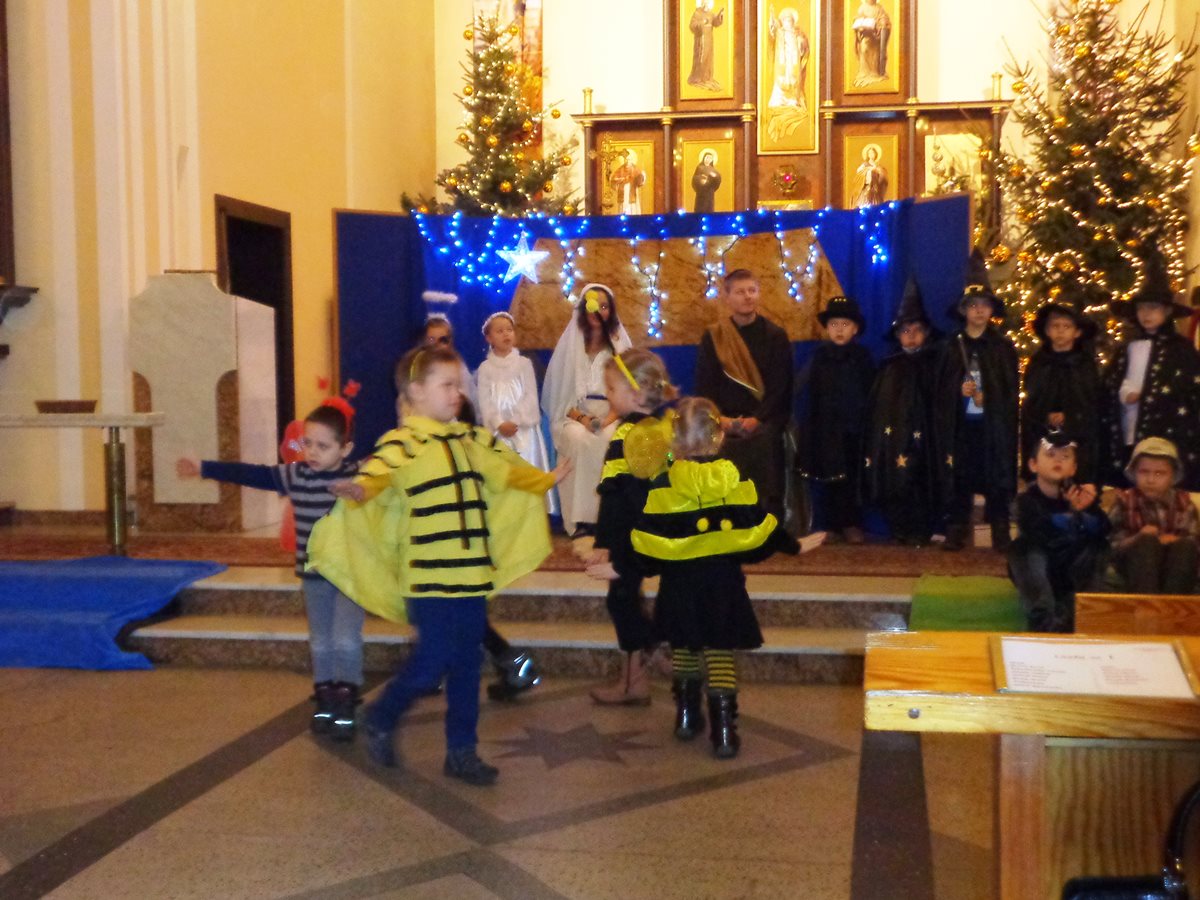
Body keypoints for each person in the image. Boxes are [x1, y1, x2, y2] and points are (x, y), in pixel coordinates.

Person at [308, 345, 568, 786]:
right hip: (428, 580)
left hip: (471, 577)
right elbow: (379, 475)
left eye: (458, 386)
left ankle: (462, 752)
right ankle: (381, 715)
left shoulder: (472, 441)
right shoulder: (403, 444)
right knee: (431, 663)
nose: (457, 394)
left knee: (467, 666)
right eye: (447, 385)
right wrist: (361, 489)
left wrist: (545, 479)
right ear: (416, 391)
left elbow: (505, 471)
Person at [177, 398, 363, 741]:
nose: (313, 452)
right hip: (314, 575)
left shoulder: (359, 476)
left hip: (352, 577)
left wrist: (364, 491)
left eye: (323, 446)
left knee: (346, 640)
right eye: (308, 443)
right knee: (321, 640)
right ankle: (325, 698)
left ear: (345, 448)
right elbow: (255, 474)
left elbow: (390, 487)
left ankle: (347, 699)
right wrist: (204, 467)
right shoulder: (296, 475)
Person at [630, 397, 806, 759]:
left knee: (684, 646)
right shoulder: (730, 477)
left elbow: (649, 539)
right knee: (719, 650)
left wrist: (631, 565)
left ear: (675, 439)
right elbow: (756, 527)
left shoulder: (665, 482)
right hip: (722, 585)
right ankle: (724, 731)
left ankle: (686, 716)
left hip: (679, 585)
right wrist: (793, 545)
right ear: (718, 437)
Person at [586, 349, 677, 706]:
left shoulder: (628, 434)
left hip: (631, 534)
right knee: (629, 599)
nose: (608, 395)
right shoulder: (659, 428)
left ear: (636, 393)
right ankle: (650, 654)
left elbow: (617, 494)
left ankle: (635, 678)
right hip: (653, 529)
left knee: (621, 601)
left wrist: (604, 542)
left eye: (612, 389)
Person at [934, 249, 1019, 551]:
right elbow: (940, 387)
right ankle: (957, 528)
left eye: (984, 305)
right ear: (963, 310)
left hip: (991, 425)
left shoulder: (1001, 348)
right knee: (961, 474)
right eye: (973, 305)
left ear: (991, 309)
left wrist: (990, 398)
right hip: (962, 426)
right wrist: (958, 392)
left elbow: (1009, 389)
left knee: (995, 474)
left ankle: (1000, 529)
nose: (979, 311)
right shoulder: (950, 346)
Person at [694, 269, 794, 524]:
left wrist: (757, 419)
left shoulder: (775, 336)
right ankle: (724, 521)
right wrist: (721, 419)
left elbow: (781, 388)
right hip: (724, 419)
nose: (747, 297)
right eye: (740, 292)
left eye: (752, 290)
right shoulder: (714, 336)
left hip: (765, 418)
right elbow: (705, 386)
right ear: (727, 297)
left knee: (765, 443)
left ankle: (768, 522)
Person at [542, 282, 633, 545]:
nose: (598, 311)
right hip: (573, 415)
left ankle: (606, 517)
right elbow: (562, 398)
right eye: (594, 305)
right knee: (578, 439)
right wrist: (584, 419)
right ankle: (580, 520)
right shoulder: (572, 347)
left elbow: (626, 393)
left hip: (611, 414)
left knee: (607, 439)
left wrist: (606, 419)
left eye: (605, 306)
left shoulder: (618, 346)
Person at [1104, 254, 1200, 490]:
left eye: (1153, 308)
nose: (1146, 314)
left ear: (1167, 311)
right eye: (1141, 308)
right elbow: (1111, 383)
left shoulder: (1181, 350)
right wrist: (1123, 394)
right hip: (1128, 428)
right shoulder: (1127, 348)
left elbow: (1188, 390)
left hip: (1165, 433)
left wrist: (1155, 397)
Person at [865, 277, 941, 546]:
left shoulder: (935, 364)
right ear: (898, 335)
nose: (911, 336)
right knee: (895, 477)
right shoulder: (889, 366)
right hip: (893, 436)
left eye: (916, 330)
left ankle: (921, 528)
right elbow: (880, 406)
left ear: (926, 333)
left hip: (925, 436)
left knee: (921, 477)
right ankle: (898, 526)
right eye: (905, 330)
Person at [1007, 431, 1108, 633]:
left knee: (1097, 545)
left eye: (1065, 456)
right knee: (1021, 548)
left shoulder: (1080, 497)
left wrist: (1084, 510)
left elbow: (1105, 529)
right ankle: (1042, 620)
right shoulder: (1027, 500)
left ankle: (1082, 611)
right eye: (1050, 455)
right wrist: (1070, 517)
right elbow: (1036, 529)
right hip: (1041, 568)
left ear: (1074, 468)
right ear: (1033, 464)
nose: (1058, 461)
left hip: (1071, 570)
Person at [798, 295, 875, 543]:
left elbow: (870, 390)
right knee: (829, 478)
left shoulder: (862, 357)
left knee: (852, 478)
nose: (839, 330)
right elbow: (810, 390)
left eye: (845, 324)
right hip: (826, 428)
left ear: (855, 329)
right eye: (834, 324)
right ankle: (830, 524)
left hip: (854, 428)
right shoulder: (820, 356)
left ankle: (852, 523)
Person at [1021, 298, 1101, 484]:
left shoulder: (1084, 364)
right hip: (1042, 430)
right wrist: (1045, 415)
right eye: (1055, 326)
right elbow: (1032, 397)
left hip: (1077, 433)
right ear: (1047, 331)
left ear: (1077, 332)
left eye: (1066, 326)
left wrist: (1069, 415)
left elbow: (1089, 399)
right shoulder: (1039, 363)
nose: (1060, 331)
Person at [1108, 437, 1200, 595]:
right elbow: (1111, 546)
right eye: (1144, 472)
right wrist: (1138, 538)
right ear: (1134, 473)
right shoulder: (1125, 501)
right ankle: (1147, 603)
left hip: (1174, 564)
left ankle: (1172, 605)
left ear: (1173, 477)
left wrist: (1172, 540)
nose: (1150, 480)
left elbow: (1194, 544)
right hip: (1135, 564)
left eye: (1159, 473)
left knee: (1185, 547)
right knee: (1147, 543)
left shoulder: (1185, 504)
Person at [475, 311, 550, 472]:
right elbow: (485, 401)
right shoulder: (485, 368)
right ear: (489, 338)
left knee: (527, 470)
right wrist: (499, 423)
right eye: (500, 331)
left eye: (509, 330)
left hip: (523, 430)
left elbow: (530, 395)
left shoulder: (524, 364)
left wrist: (515, 420)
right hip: (498, 432)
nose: (506, 334)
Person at [422, 313, 478, 424]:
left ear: (450, 341)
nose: (436, 344)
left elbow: (467, 398)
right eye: (431, 339)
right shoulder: (418, 366)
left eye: (442, 340)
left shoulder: (458, 367)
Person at [766, 7, 809, 110]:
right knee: (781, 79)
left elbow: (804, 48)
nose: (788, 22)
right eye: (785, 20)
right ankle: (779, 99)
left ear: (793, 22)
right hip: (782, 62)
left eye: (790, 20)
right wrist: (772, 16)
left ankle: (793, 99)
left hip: (793, 61)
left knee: (793, 78)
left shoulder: (797, 34)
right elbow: (772, 29)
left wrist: (801, 43)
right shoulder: (780, 33)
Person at [851, 0, 892, 88]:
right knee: (864, 46)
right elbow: (858, 20)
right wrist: (861, 23)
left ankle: (875, 72)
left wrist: (881, 23)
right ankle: (865, 72)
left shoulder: (879, 8)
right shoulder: (862, 8)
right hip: (865, 35)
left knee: (876, 49)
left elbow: (885, 20)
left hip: (876, 37)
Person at [687, 0, 725, 92]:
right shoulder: (697, 13)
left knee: (709, 58)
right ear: (702, 3)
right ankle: (698, 78)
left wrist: (720, 16)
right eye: (705, 2)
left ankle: (707, 77)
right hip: (700, 41)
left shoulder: (710, 14)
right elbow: (692, 26)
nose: (706, 3)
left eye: (708, 2)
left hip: (709, 40)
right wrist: (702, 23)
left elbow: (716, 23)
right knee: (701, 58)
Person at [610, 150, 646, 216]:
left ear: (632, 160)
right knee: (622, 209)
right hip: (622, 192)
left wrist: (641, 176)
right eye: (625, 159)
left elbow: (639, 181)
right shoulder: (620, 169)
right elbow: (613, 179)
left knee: (632, 209)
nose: (627, 161)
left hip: (632, 191)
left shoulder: (635, 168)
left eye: (629, 159)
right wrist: (621, 180)